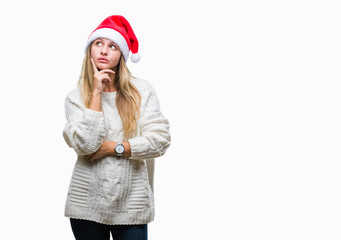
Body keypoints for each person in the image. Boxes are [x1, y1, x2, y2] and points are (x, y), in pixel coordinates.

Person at [62, 15, 171, 240]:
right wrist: (96, 94)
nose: (104, 51)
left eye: (112, 46)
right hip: (86, 206)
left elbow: (160, 140)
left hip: (132, 205)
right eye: (98, 44)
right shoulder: (75, 99)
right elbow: (86, 145)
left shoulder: (142, 91)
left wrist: (114, 148)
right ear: (89, 50)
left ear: (121, 54)